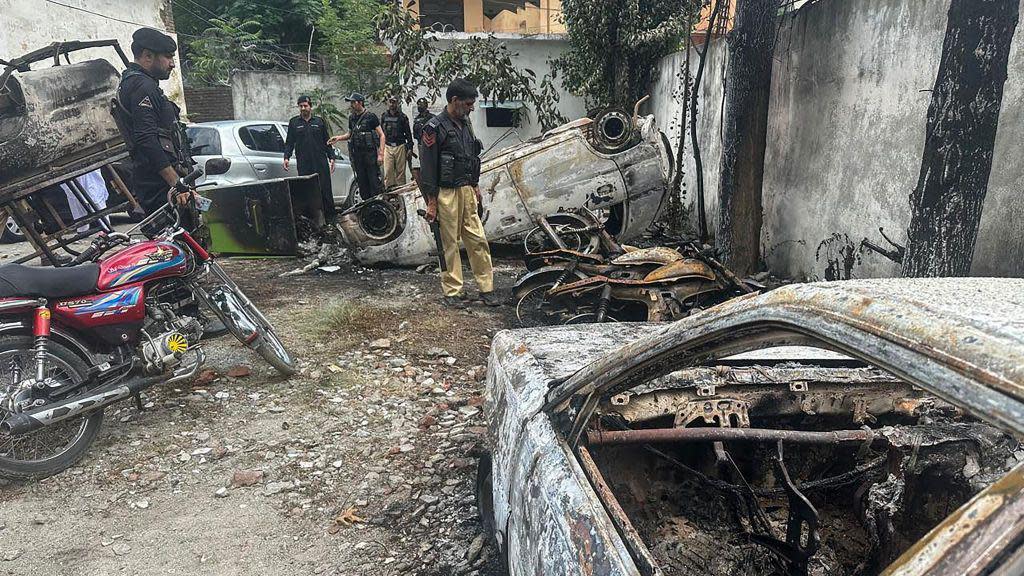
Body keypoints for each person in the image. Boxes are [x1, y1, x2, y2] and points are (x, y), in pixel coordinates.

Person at [419, 79, 500, 307]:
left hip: (466, 189)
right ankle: (453, 292)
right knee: (449, 244)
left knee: (478, 239)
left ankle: (486, 288)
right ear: (454, 101)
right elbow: (428, 167)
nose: (472, 107)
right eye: (468, 103)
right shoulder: (434, 128)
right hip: (446, 193)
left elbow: (471, 156)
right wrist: (432, 202)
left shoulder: (466, 124)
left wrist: (475, 185)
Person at [115, 28, 194, 216]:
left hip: (157, 184)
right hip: (160, 188)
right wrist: (177, 183)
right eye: (167, 57)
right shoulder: (143, 87)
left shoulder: (134, 83)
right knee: (177, 242)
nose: (172, 64)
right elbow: (146, 139)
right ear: (147, 56)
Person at [283, 95, 336, 221]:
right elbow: (289, 142)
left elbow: (327, 141)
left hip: (320, 162)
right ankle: (311, 221)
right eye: (300, 106)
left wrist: (332, 157)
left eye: (305, 106)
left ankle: (332, 220)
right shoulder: (294, 123)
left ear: (310, 107)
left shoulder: (319, 122)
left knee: (325, 191)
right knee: (307, 192)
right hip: (304, 163)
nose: (303, 108)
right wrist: (286, 157)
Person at [327, 93, 384, 201]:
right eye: (351, 102)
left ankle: (377, 204)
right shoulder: (352, 118)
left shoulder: (370, 117)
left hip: (370, 155)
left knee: (374, 182)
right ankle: (366, 206)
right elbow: (349, 134)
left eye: (353, 102)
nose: (351, 105)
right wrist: (338, 138)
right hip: (358, 155)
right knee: (362, 183)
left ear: (360, 102)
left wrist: (381, 154)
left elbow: (382, 135)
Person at [380, 96, 413, 189]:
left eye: (394, 102)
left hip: (400, 146)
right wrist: (380, 148)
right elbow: (381, 133)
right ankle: (389, 193)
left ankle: (401, 192)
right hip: (388, 146)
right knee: (388, 171)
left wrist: (410, 147)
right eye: (390, 102)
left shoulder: (403, 117)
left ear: (397, 103)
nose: (392, 104)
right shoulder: (384, 116)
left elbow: (408, 133)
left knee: (400, 172)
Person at [411, 97, 433, 184]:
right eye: (419, 105)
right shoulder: (416, 119)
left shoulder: (432, 118)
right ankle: (425, 181)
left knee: (432, 163)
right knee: (423, 164)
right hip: (421, 144)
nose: (420, 106)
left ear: (426, 106)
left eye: (422, 104)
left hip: (432, 145)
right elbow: (416, 134)